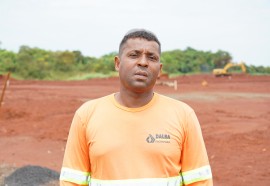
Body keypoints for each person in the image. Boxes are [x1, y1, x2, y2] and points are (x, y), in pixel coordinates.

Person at [60, 29, 213, 186]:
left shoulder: (183, 115)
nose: (143, 62)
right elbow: (72, 181)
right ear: (117, 63)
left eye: (151, 57)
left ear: (160, 69)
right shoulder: (86, 115)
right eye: (134, 55)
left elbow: (200, 181)